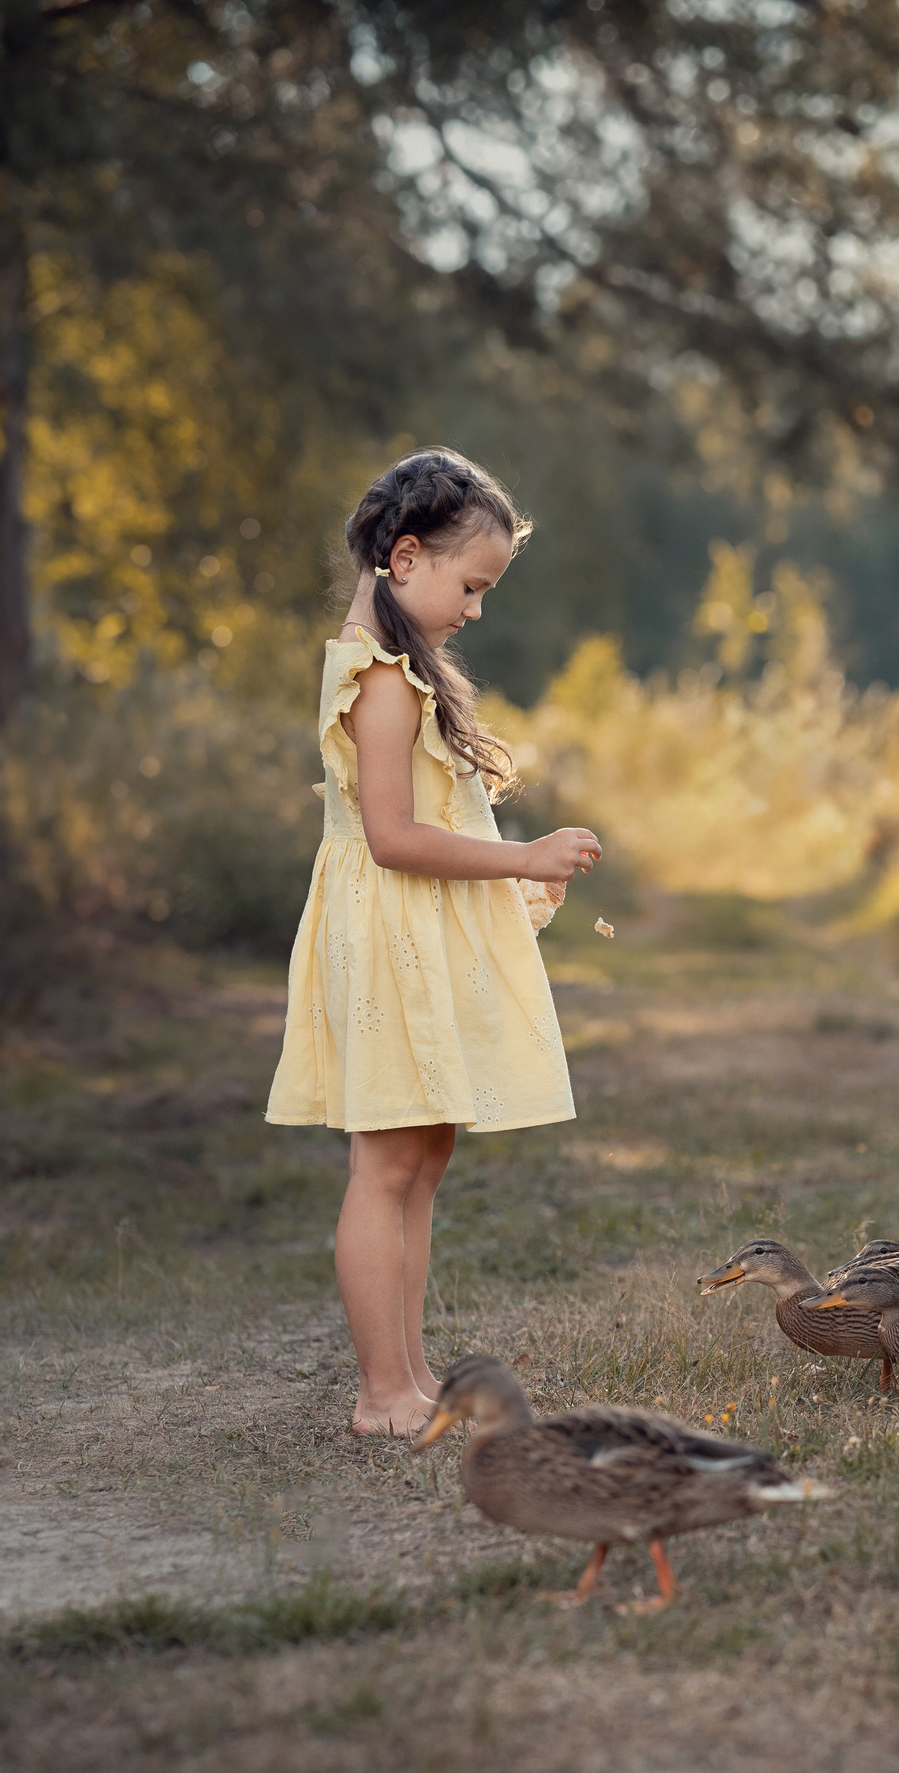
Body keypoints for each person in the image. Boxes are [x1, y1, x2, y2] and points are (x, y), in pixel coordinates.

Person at [266, 448, 602, 1437]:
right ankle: (381, 1391)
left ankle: (409, 1376)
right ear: (405, 558)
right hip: (385, 937)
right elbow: (391, 834)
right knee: (385, 1165)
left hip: (416, 933)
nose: (475, 608)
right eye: (471, 585)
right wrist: (521, 856)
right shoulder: (376, 680)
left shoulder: (405, 672)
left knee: (421, 1156)